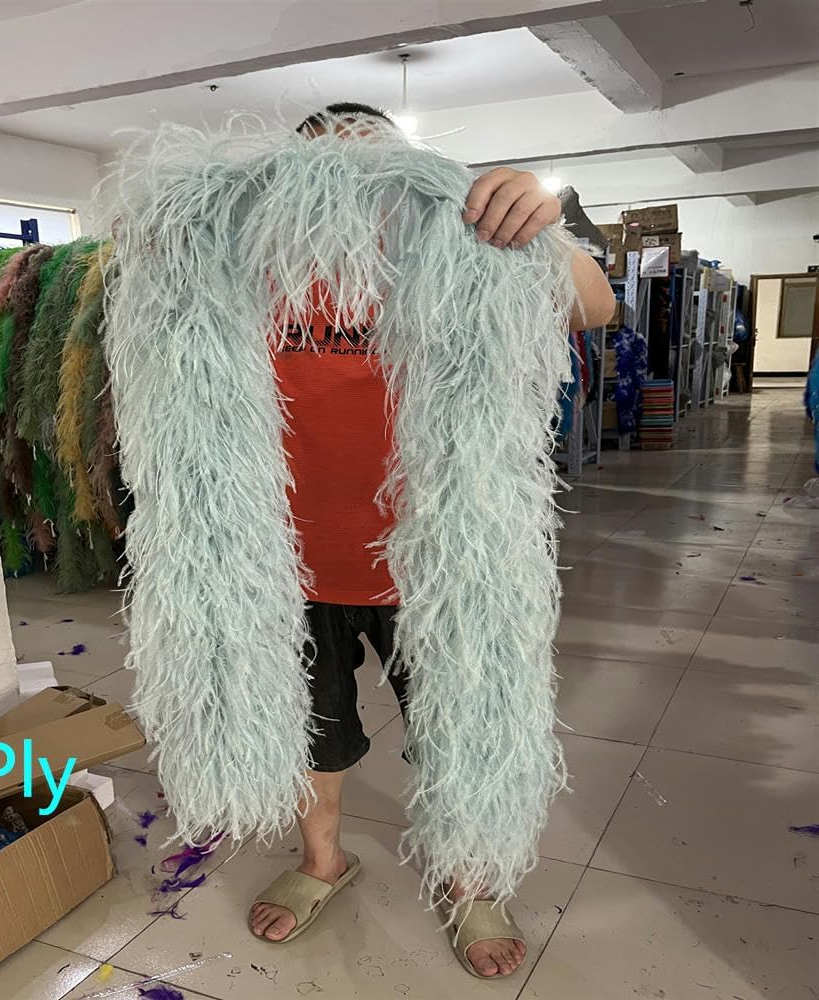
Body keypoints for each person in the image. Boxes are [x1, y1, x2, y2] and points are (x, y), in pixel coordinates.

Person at [248, 102, 616, 979]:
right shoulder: (251, 262)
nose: (347, 184)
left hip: (439, 564)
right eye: (322, 168)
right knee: (311, 730)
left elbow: (593, 304)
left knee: (459, 732)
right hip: (290, 561)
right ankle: (322, 861)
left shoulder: (456, 245)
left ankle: (469, 880)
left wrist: (536, 218)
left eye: (371, 165)